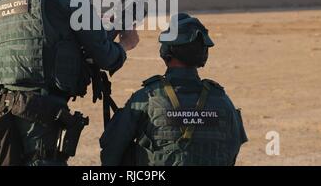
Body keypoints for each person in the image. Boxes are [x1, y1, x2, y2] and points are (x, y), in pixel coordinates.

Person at [0, 0, 139, 166]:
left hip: (5, 107)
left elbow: (44, 37)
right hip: (42, 111)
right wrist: (125, 45)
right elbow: (106, 58)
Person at [100, 13, 247, 166]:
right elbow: (232, 148)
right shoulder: (222, 100)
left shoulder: (146, 98)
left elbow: (112, 149)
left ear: (167, 50)